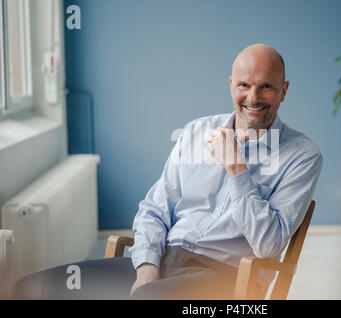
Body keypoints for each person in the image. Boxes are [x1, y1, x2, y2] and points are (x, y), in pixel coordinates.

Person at [12, 43, 322, 300]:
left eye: (266, 87)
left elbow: (268, 246)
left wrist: (236, 168)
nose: (253, 98)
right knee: (30, 288)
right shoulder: (195, 131)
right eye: (244, 85)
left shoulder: (302, 156)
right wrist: (147, 267)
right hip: (160, 261)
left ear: (283, 90)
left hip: (225, 281)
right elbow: (154, 209)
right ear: (231, 86)